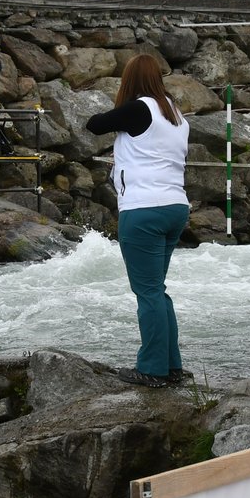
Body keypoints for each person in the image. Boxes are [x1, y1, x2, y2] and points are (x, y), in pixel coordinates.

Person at [84, 53, 191, 388]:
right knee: (157, 290)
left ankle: (152, 368)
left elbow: (94, 124)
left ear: (130, 82)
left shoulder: (139, 109)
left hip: (143, 209)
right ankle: (172, 365)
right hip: (176, 207)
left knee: (147, 293)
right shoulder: (175, 113)